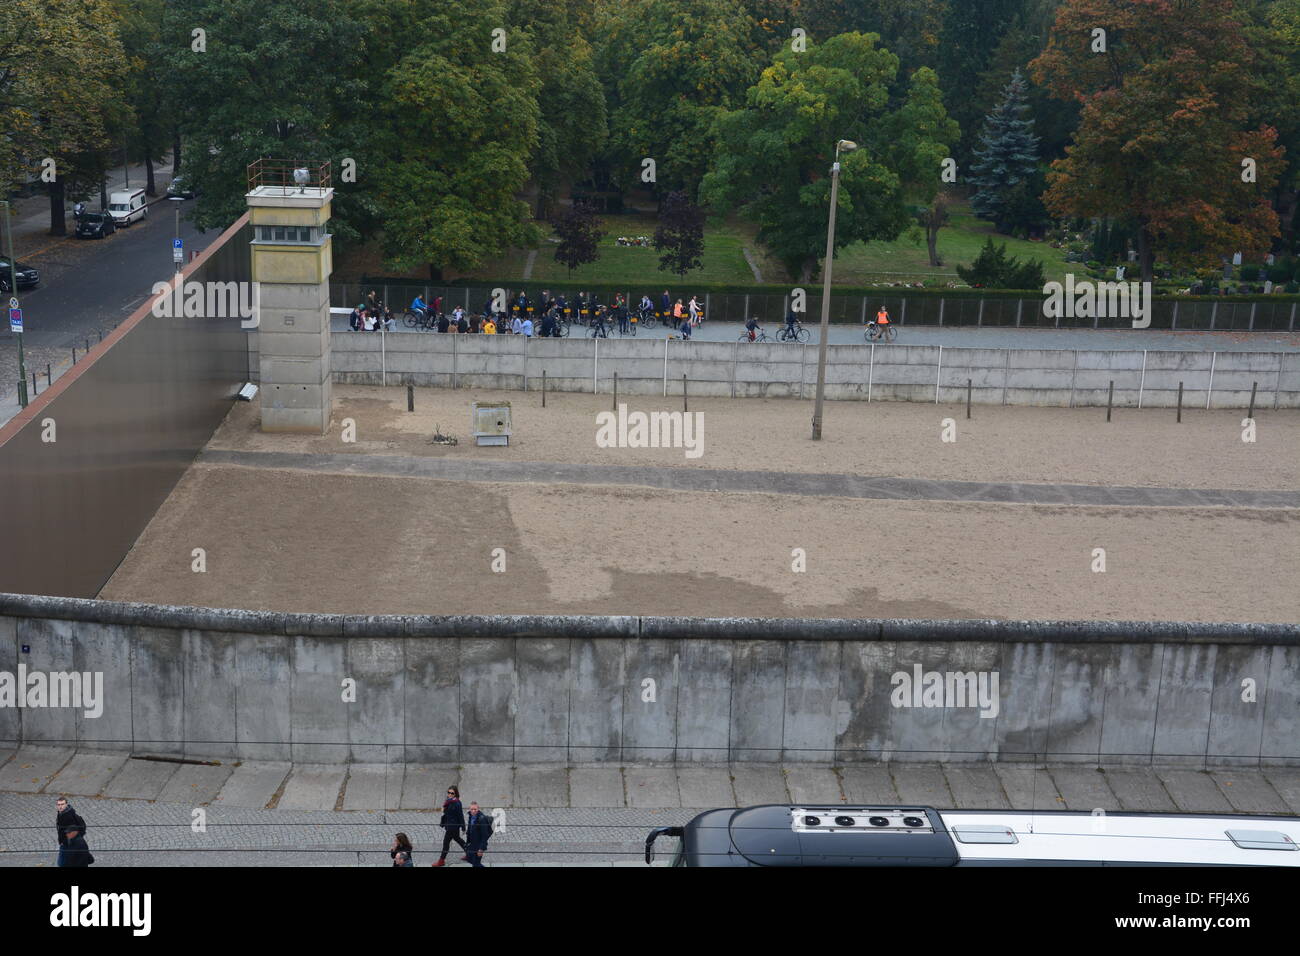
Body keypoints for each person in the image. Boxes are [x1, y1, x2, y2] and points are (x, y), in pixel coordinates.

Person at [432, 786, 467, 866]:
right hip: (449, 825)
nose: (450, 794)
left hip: (453, 827)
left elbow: (460, 816)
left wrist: (463, 828)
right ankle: (470, 853)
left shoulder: (457, 803)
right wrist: (444, 810)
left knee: (446, 843)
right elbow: (447, 813)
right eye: (449, 792)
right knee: (458, 839)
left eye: (452, 793)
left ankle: (441, 861)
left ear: (455, 794)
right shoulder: (448, 801)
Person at [55, 797, 86, 868]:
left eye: (62, 804)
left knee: (62, 863)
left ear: (66, 804)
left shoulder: (68, 816)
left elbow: (74, 831)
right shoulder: (61, 813)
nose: (60, 806)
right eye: (58, 805)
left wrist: (66, 842)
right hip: (66, 842)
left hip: (69, 844)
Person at [464, 802, 493, 868]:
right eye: (472, 809)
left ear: (478, 809)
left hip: (479, 845)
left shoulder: (482, 819)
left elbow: (485, 835)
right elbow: (469, 829)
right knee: (470, 859)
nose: (473, 811)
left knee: (476, 864)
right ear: (469, 809)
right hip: (472, 844)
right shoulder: (470, 816)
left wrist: (481, 849)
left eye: (475, 809)